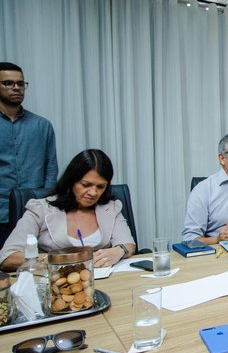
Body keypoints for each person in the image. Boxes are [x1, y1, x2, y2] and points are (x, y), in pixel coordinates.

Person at [0, 149, 136, 271]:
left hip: (106, 282)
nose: (93, 193)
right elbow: (7, 257)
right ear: (71, 182)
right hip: (58, 286)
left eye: (101, 187)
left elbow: (128, 245)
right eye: (86, 185)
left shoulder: (110, 208)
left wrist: (118, 252)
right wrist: (56, 260)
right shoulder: (41, 209)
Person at [0, 62, 58, 224]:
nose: (16, 88)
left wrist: (46, 205)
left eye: (20, 83)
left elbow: (51, 168)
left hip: (34, 213)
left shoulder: (42, 125)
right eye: (8, 83)